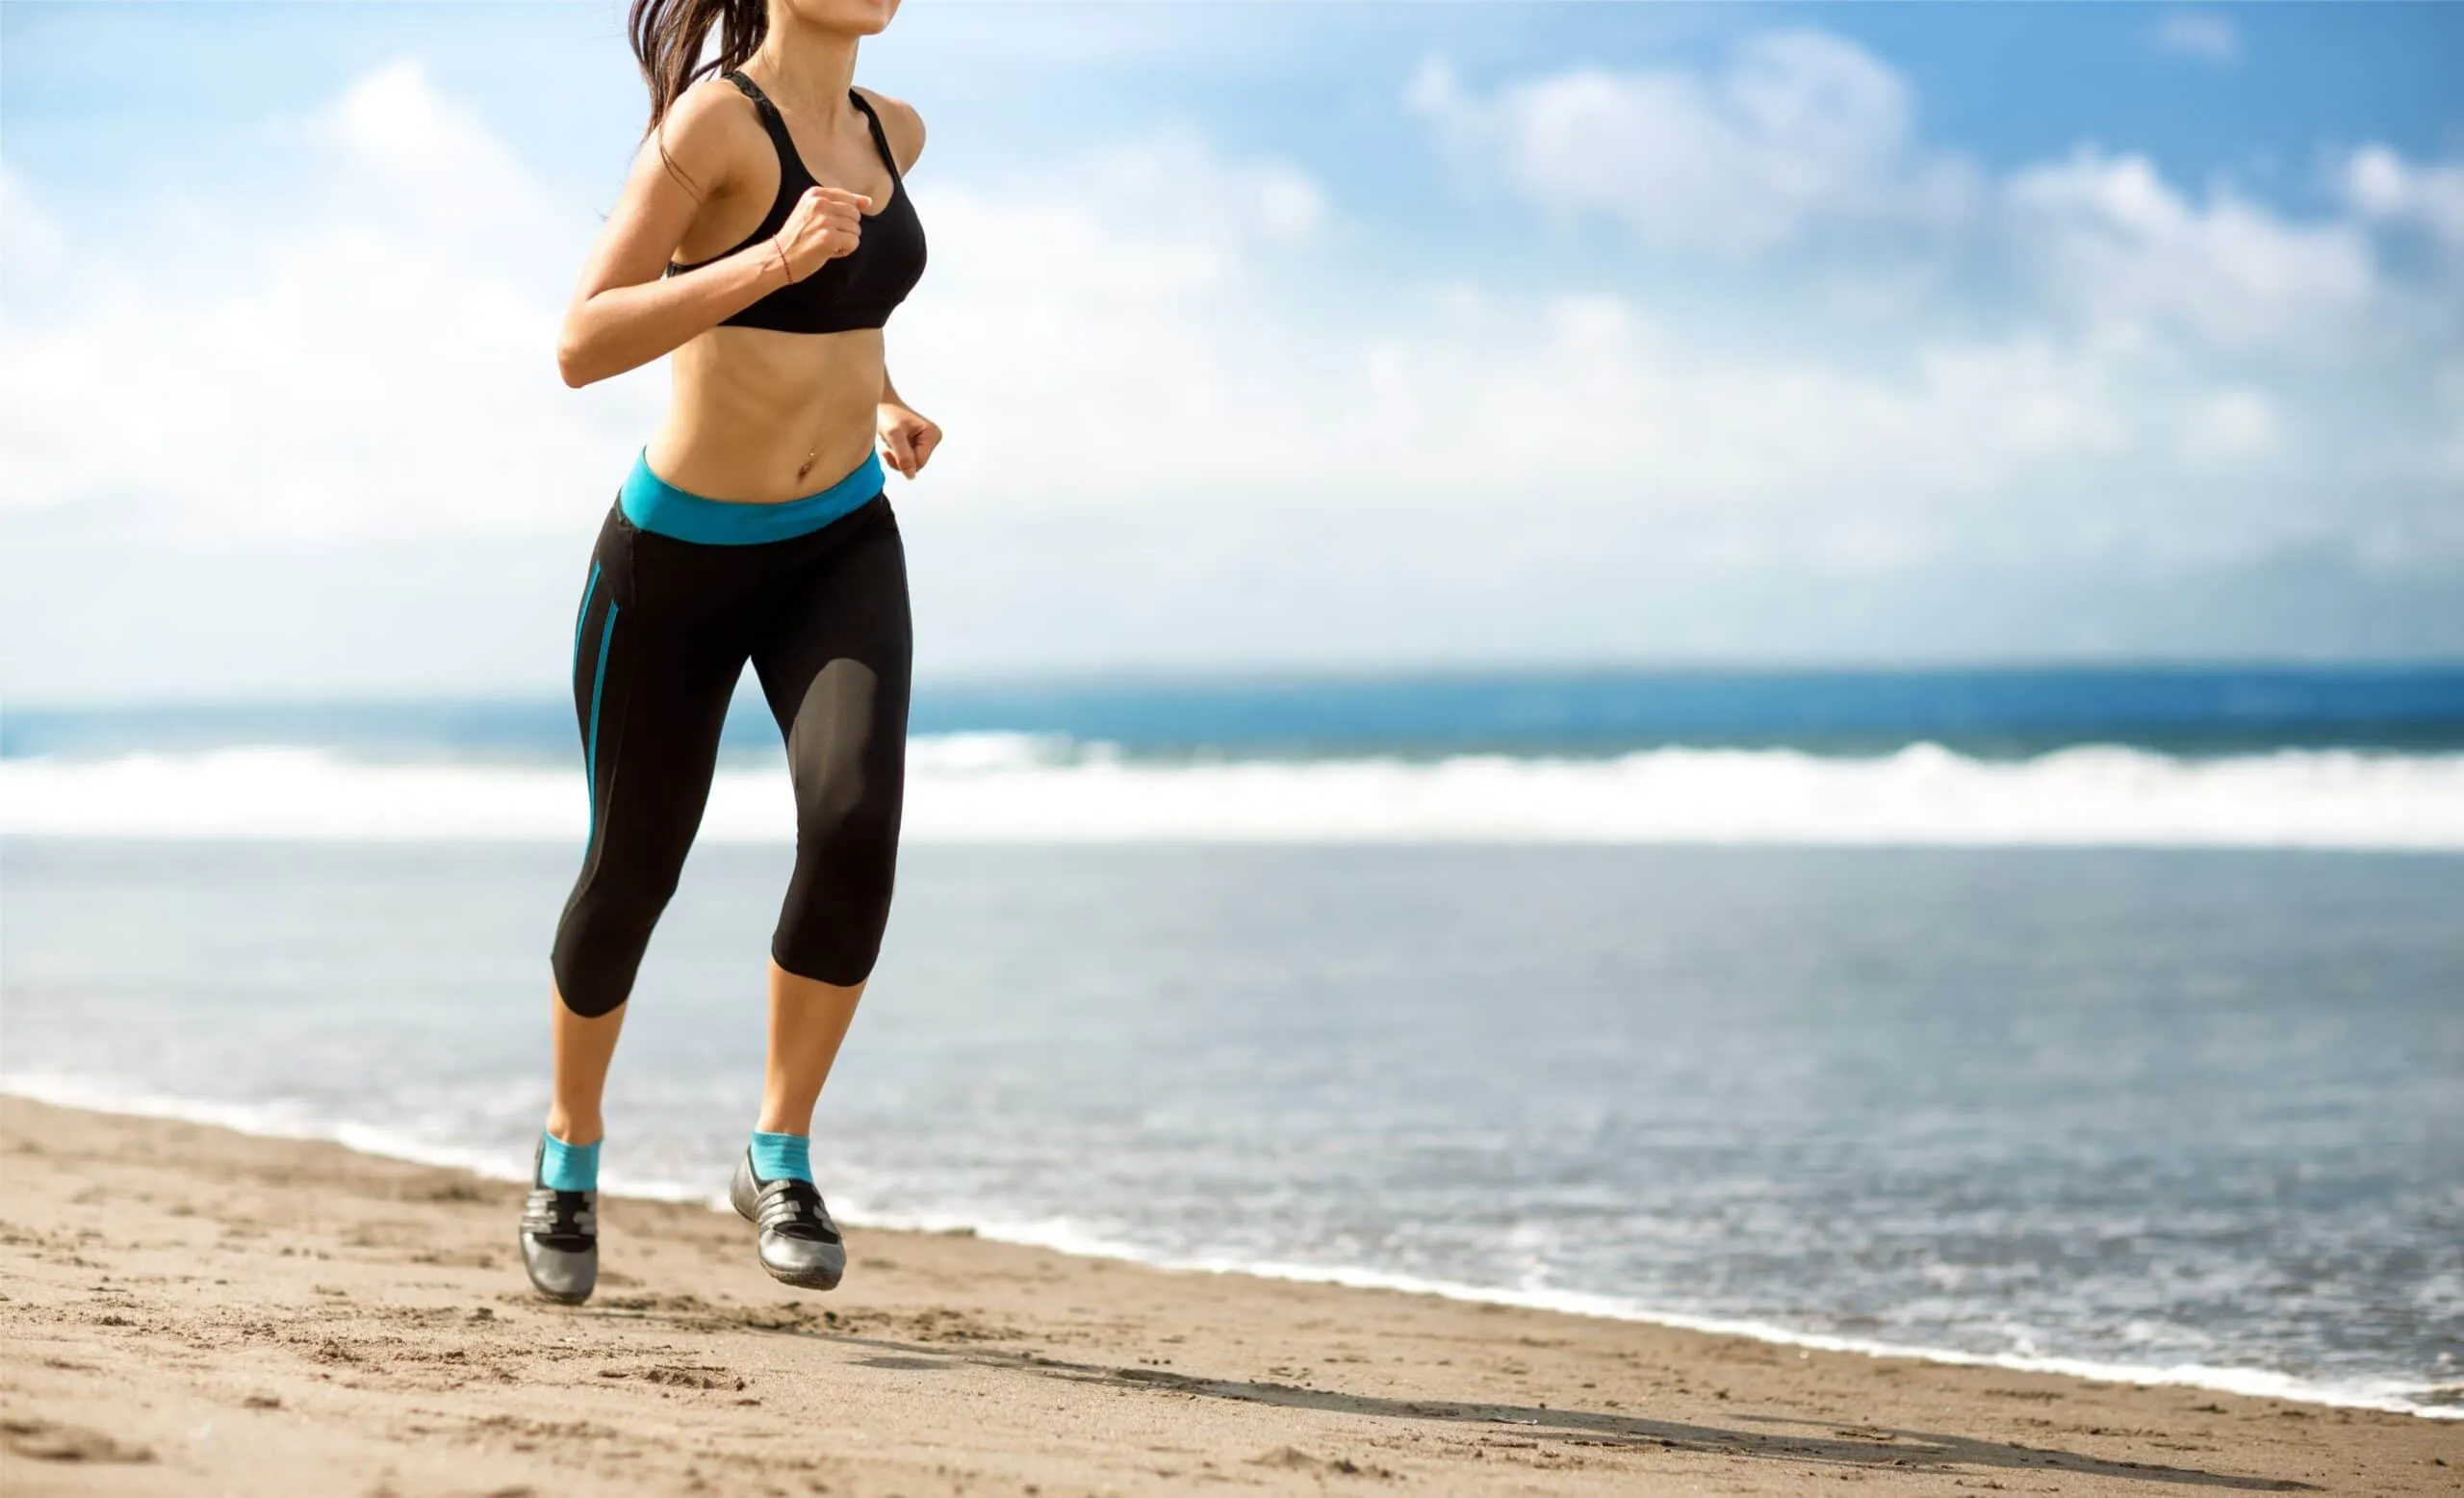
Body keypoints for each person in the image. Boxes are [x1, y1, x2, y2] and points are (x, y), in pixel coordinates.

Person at [517, 0, 937, 1305]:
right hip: (677, 562)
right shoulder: (712, 124)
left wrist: (883, 400)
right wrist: (765, 262)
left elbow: (847, 317)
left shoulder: (894, 132)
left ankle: (779, 1153)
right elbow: (584, 341)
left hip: (839, 540)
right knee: (632, 873)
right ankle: (571, 1149)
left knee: (856, 820)